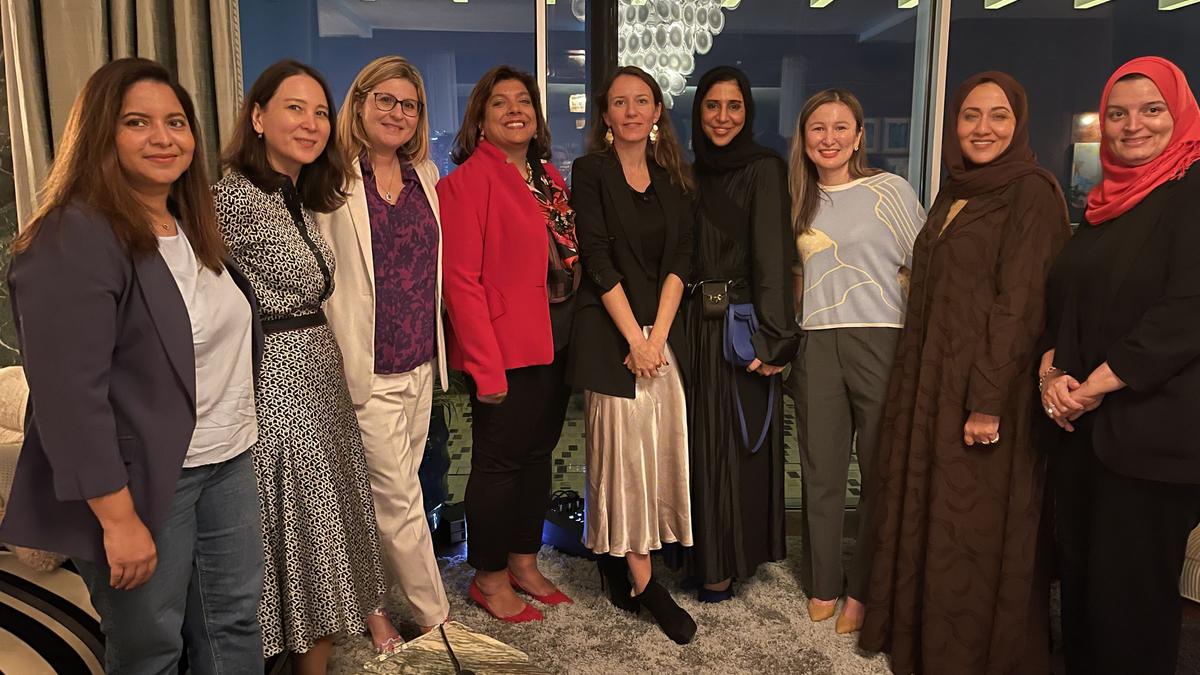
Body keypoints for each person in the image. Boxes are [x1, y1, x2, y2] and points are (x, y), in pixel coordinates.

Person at [0, 58, 264, 673]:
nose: (163, 137)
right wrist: (117, 520)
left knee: (234, 625)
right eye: (137, 122)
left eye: (176, 122)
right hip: (138, 480)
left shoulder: (190, 225)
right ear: (100, 133)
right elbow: (69, 399)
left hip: (227, 458)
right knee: (151, 647)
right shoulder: (73, 236)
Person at [858, 72, 1070, 675]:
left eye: (998, 116)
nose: (982, 128)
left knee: (970, 525)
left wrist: (987, 402)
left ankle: (965, 655)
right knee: (935, 512)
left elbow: (1020, 305)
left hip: (985, 390)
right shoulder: (958, 191)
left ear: (1018, 123)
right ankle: (924, 638)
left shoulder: (1031, 193)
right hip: (936, 381)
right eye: (970, 115)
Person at [215, 59, 398, 671]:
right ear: (258, 117)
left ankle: (316, 656)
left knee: (325, 525)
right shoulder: (230, 197)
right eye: (295, 108)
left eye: (320, 112)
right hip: (277, 381)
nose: (312, 123)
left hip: (317, 372)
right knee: (301, 531)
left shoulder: (292, 195)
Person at [1040, 56, 1200, 675]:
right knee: (1082, 591)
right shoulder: (1106, 205)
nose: (1133, 126)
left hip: (1152, 438)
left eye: (1152, 110)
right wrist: (1051, 376)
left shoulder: (1190, 191)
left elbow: (1187, 311)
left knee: (1129, 604)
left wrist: (1095, 386)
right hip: (1083, 434)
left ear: (1179, 113)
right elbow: (1065, 305)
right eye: (1118, 113)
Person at [438, 65, 578, 623]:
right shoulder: (466, 183)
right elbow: (460, 283)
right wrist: (484, 365)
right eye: (500, 102)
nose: (515, 109)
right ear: (480, 119)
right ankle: (489, 578)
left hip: (555, 337)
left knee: (539, 454)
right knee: (499, 464)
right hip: (503, 346)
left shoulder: (547, 177)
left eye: (524, 100)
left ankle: (524, 560)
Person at [317, 55, 450, 635]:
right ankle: (438, 623)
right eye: (386, 100)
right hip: (365, 368)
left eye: (410, 105)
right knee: (398, 500)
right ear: (361, 102)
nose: (398, 113)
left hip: (419, 361)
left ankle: (371, 606)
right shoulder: (331, 180)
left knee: (391, 500)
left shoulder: (426, 177)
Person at [786, 89, 924, 634]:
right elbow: (795, 278)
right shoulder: (795, 198)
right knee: (820, 472)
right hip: (816, 343)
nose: (830, 138)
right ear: (804, 138)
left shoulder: (890, 190)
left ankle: (864, 589)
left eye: (841, 127)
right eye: (818, 128)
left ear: (859, 136)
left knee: (878, 471)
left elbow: (924, 266)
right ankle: (824, 582)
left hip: (882, 337)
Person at [567, 65, 696, 644]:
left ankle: (621, 560)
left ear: (657, 111)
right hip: (611, 336)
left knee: (658, 451)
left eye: (641, 100)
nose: (632, 111)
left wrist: (656, 338)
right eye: (619, 102)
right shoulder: (591, 171)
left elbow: (681, 259)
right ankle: (644, 581)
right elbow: (596, 258)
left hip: (661, 337)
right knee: (623, 459)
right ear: (605, 115)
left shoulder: (673, 177)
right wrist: (635, 341)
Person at [681, 66, 800, 602]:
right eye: (712, 106)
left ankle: (724, 563)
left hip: (740, 329)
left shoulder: (764, 168)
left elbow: (773, 256)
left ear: (748, 111)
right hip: (691, 327)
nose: (723, 117)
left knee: (732, 447)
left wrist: (776, 340)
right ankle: (700, 555)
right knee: (697, 445)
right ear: (698, 111)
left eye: (734, 106)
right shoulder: (690, 173)